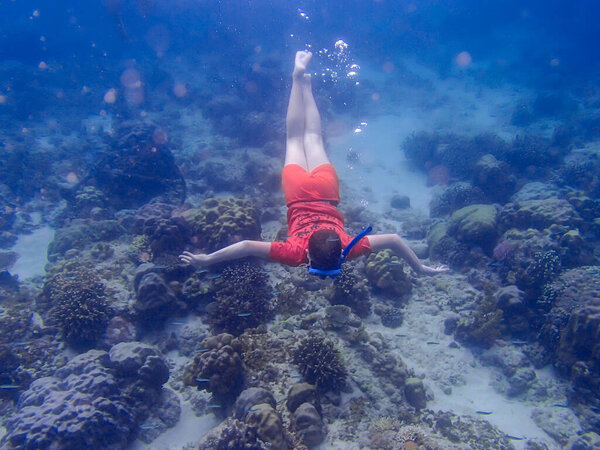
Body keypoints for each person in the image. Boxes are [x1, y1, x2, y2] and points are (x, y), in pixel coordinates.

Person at [179, 51, 448, 277]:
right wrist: (206, 260)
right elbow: (248, 245)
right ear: (311, 255)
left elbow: (393, 240)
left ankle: (305, 84)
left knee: (313, 137)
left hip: (326, 190)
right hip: (296, 192)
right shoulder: (295, 254)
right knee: (296, 137)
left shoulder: (348, 246)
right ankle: (298, 80)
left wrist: (420, 267)